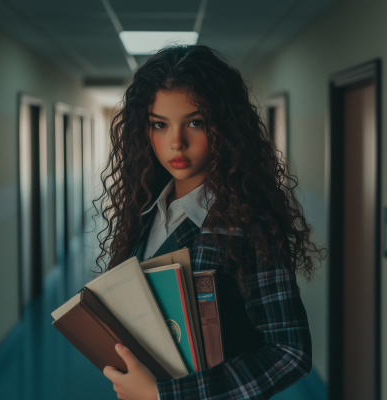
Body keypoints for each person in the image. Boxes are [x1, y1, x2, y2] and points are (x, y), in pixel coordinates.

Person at [96, 45, 326, 400]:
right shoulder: (143, 210)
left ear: (225, 127)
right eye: (160, 124)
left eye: (195, 122)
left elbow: (290, 354)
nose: (176, 142)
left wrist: (165, 395)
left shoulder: (248, 224)